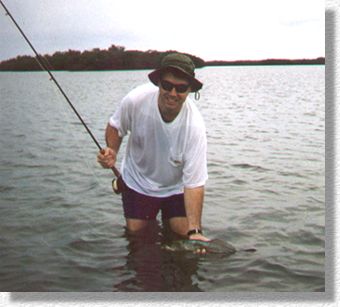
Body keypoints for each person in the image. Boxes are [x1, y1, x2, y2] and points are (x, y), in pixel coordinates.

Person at [97, 53, 210, 242]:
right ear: (158, 83)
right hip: (138, 181)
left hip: (175, 187)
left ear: (190, 90)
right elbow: (115, 127)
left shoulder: (195, 127)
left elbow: (195, 183)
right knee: (137, 235)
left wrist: (195, 231)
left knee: (183, 235)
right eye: (167, 85)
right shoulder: (135, 100)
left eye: (181, 88)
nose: (173, 93)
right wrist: (112, 151)